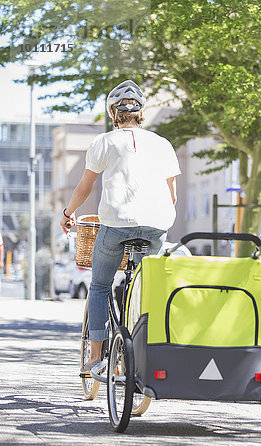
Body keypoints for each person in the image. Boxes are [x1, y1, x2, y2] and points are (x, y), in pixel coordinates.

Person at [59, 80, 181, 373]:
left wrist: (68, 213)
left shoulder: (104, 142)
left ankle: (96, 357)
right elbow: (173, 197)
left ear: (114, 113)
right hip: (156, 226)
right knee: (147, 287)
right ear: (141, 113)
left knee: (100, 285)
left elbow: (85, 187)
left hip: (116, 224)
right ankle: (148, 347)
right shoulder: (163, 144)